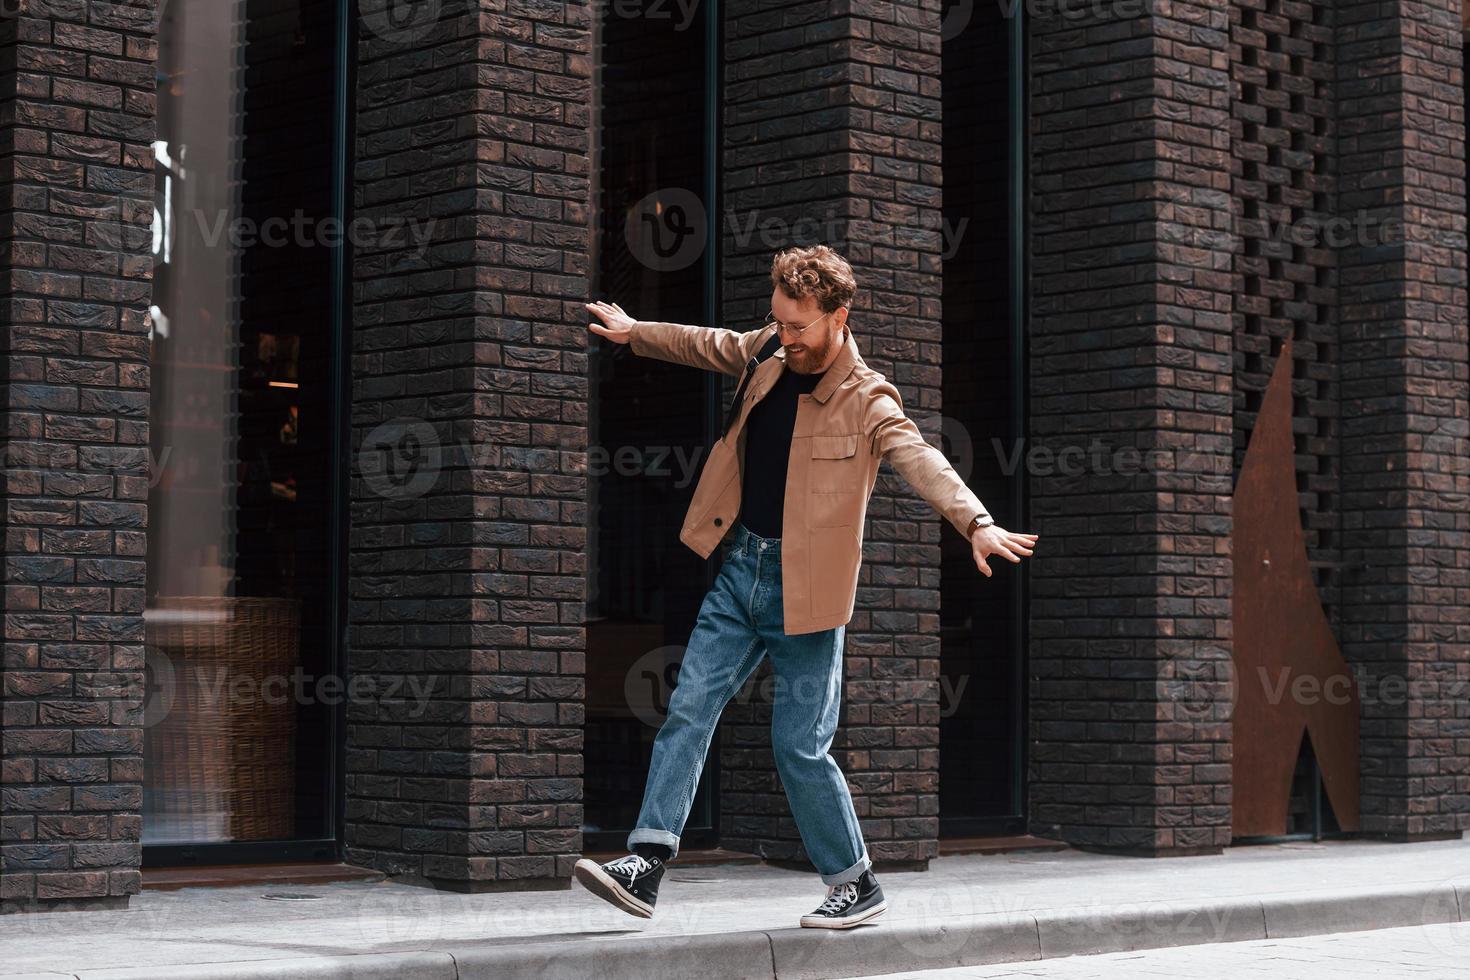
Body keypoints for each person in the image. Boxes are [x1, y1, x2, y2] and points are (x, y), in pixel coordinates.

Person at [573, 244, 1038, 929]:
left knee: (799, 745)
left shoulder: (868, 396)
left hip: (808, 592)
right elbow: (711, 344)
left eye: (798, 327)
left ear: (837, 317)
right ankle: (646, 863)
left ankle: (856, 884)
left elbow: (920, 456)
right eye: (779, 323)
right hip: (740, 573)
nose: (785, 337)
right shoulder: (767, 351)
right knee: (688, 710)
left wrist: (975, 520)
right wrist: (637, 332)